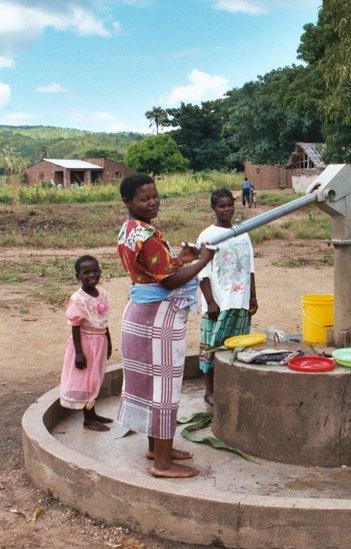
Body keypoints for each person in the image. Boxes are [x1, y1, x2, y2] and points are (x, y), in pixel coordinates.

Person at [116, 173, 215, 479]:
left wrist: (181, 257)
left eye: (155, 196)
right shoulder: (145, 235)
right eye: (144, 199)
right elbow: (169, 280)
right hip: (157, 319)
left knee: (149, 387)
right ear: (128, 202)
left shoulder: (131, 230)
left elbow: (157, 266)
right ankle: (163, 463)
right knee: (164, 389)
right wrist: (203, 261)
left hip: (140, 314)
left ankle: (156, 448)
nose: (152, 202)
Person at [196, 189, 258, 405]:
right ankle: (209, 391)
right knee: (211, 347)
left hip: (239, 300)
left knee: (236, 347)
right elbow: (201, 272)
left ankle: (231, 387)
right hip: (218, 303)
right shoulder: (207, 235)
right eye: (221, 206)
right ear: (213, 208)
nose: (227, 209)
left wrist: (252, 297)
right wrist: (210, 301)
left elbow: (250, 267)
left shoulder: (243, 233)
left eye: (230, 205)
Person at [59, 255, 113, 432]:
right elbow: (75, 327)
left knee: (95, 378)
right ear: (78, 276)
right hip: (85, 344)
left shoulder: (102, 294)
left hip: (100, 343)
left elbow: (104, 322)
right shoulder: (78, 298)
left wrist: (109, 342)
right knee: (85, 381)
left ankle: (93, 414)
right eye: (86, 272)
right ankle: (88, 420)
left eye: (95, 271)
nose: (91, 275)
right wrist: (79, 352)